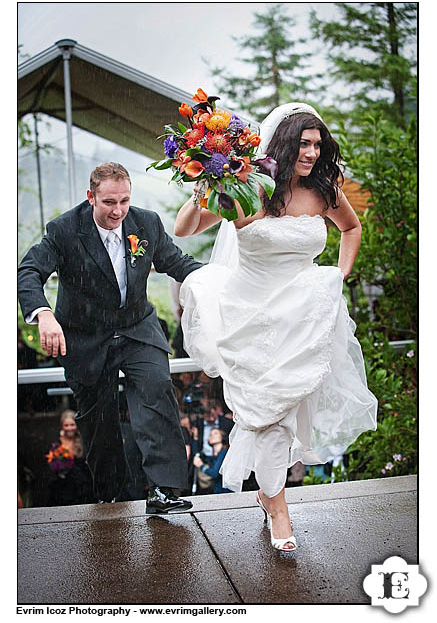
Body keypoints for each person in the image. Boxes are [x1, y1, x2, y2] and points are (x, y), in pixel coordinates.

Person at [174, 102, 378, 552]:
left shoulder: (323, 191)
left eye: (317, 145)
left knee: (284, 417)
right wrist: (204, 185)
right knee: (265, 415)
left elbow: (352, 228)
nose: (311, 152)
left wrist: (337, 277)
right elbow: (185, 229)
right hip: (250, 315)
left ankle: (274, 501)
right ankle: (277, 506)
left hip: (302, 317)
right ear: (285, 145)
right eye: (304, 144)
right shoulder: (248, 191)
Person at [18, 162, 203, 513]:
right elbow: (28, 270)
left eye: (124, 201)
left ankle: (163, 490)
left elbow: (176, 262)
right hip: (86, 337)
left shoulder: (145, 222)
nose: (118, 211)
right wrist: (42, 314)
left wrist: (216, 283)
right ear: (91, 197)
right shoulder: (64, 230)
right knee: (98, 420)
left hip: (137, 328)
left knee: (156, 389)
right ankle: (111, 497)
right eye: (108, 202)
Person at [46, 410, 94, 506]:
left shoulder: (83, 441)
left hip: (83, 486)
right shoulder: (57, 443)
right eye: (66, 425)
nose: (69, 428)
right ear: (62, 426)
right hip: (64, 488)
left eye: (72, 425)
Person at [193, 428, 232, 494]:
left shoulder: (223, 453)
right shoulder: (213, 457)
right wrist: (195, 438)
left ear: (222, 437)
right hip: (218, 492)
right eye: (210, 434)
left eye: (216, 433)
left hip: (226, 493)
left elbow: (215, 473)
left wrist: (201, 466)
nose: (212, 435)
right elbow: (196, 455)